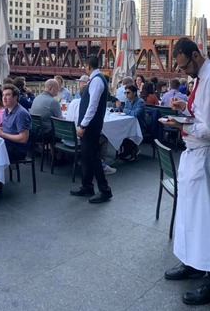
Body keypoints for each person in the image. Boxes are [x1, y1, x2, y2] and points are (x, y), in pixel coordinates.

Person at [160, 37, 210, 305]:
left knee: (205, 217)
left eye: (184, 65)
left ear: (196, 56)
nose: (184, 71)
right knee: (189, 212)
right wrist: (185, 106)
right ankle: (193, 262)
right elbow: (203, 114)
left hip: (203, 153)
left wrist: (181, 126)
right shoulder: (202, 78)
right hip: (194, 153)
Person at [70, 55, 113, 204]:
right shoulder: (98, 80)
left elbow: (92, 106)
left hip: (90, 126)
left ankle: (105, 190)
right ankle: (87, 186)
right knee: (86, 156)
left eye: (85, 67)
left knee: (93, 157)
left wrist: (83, 125)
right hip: (91, 125)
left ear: (88, 66)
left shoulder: (96, 82)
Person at [0, 85, 32, 162]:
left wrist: (2, 134)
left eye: (8, 95)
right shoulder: (6, 110)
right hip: (8, 144)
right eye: (3, 95)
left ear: (15, 97)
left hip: (17, 150)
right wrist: (0, 129)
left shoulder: (21, 113)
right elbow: (11, 128)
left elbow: (23, 138)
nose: (4, 98)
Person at [30, 79, 63, 144]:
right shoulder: (53, 102)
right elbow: (60, 121)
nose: (58, 90)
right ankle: (59, 153)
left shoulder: (37, 98)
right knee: (63, 131)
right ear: (51, 88)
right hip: (46, 134)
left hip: (35, 132)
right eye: (57, 88)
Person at [118, 85, 145, 162]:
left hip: (139, 125)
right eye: (125, 93)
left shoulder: (140, 102)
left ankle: (132, 151)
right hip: (129, 125)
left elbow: (135, 114)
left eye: (128, 93)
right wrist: (119, 107)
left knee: (127, 132)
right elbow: (125, 112)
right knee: (121, 131)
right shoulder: (127, 101)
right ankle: (127, 151)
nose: (126, 95)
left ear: (134, 93)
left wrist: (125, 110)